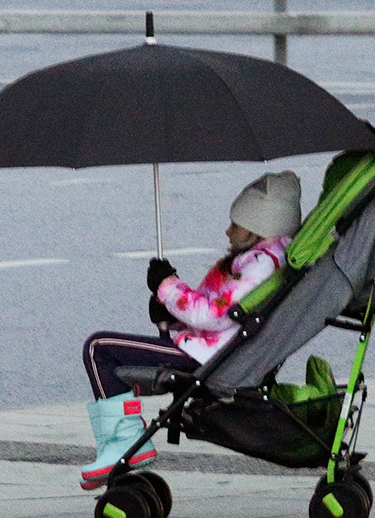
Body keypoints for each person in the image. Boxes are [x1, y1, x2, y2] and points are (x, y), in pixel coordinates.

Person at [77, 170, 302, 490]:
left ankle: (125, 441)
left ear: (257, 228)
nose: (228, 231)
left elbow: (213, 315)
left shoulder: (262, 264)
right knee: (105, 349)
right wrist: (169, 314)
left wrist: (166, 285)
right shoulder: (266, 258)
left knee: (98, 348)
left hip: (205, 356)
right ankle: (123, 441)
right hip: (212, 349)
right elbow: (224, 316)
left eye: (235, 224)